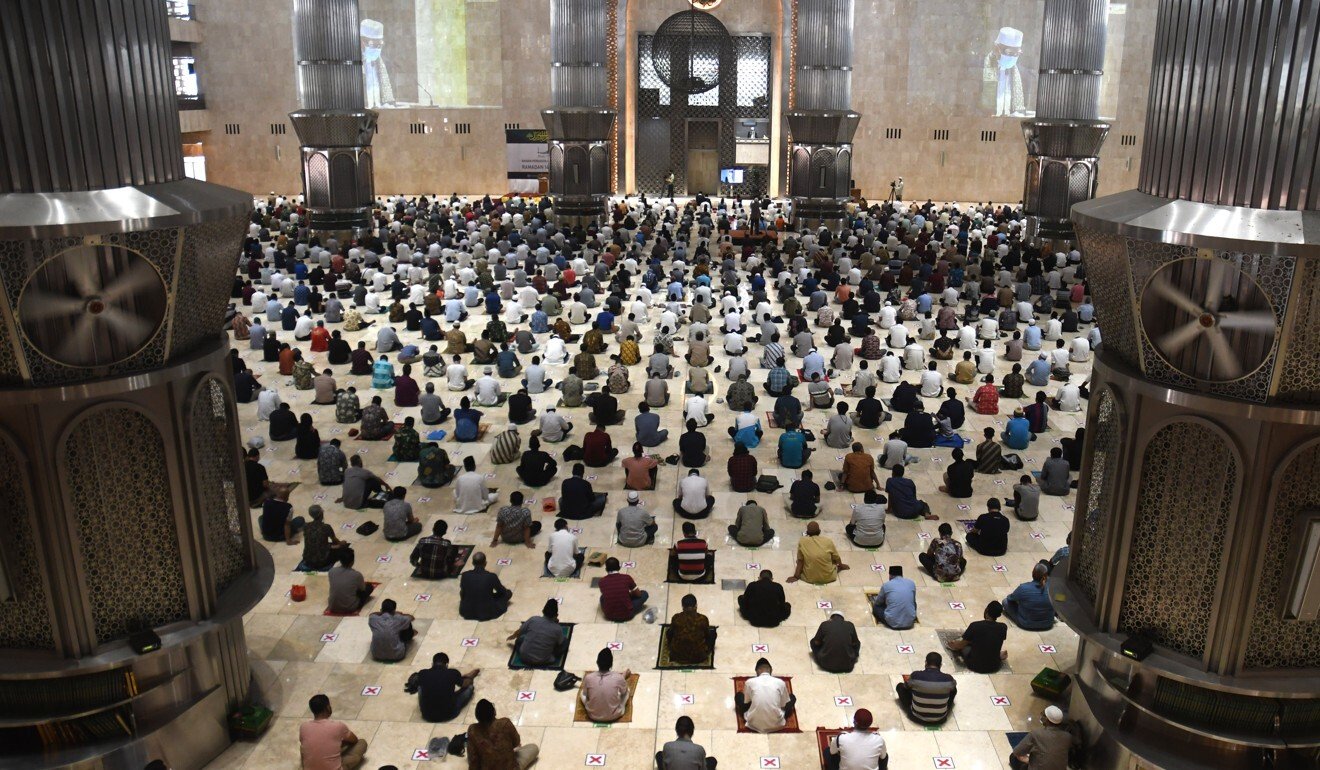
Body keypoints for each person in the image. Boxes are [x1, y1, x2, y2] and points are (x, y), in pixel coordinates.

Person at [299, 694, 368, 770]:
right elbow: (354, 740)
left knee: (304, 747)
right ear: (327, 707)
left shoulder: (303, 727)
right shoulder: (338, 726)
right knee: (362, 743)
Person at [466, 699, 539, 769]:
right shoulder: (505, 723)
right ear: (494, 712)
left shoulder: (473, 730)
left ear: (477, 717)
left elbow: (473, 760)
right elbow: (516, 742)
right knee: (533, 747)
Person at [736, 658, 795, 734]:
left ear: (757, 671)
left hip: (753, 723)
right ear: (771, 670)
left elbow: (746, 701)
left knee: (738, 696)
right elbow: (783, 705)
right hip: (777, 724)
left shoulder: (749, 682)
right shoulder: (780, 682)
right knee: (792, 697)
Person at [895, 651, 957, 724]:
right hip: (940, 719)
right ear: (940, 665)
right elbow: (953, 687)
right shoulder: (948, 679)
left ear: (926, 663)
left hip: (916, 717)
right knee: (953, 689)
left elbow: (905, 687)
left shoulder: (916, 675)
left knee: (900, 686)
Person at [1011, 705, 1080, 770]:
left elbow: (1017, 752)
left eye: (1043, 715)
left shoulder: (1036, 734)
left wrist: (1028, 760)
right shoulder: (1068, 737)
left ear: (1047, 719)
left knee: (1013, 757)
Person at [947, 601, 1009, 673]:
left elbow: (960, 645)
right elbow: (992, 640)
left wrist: (953, 644)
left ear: (986, 610)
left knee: (964, 647)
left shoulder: (975, 625)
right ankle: (998, 655)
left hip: (975, 665)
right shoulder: (1003, 627)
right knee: (988, 644)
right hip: (994, 666)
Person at [417, 652, 479, 722]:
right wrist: (469, 678)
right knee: (470, 687)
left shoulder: (423, 673)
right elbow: (465, 684)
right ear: (446, 665)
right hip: (449, 714)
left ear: (432, 664)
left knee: (420, 687)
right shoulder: (452, 673)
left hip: (427, 715)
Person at [509, 598, 567, 667]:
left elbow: (519, 632)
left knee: (520, 639)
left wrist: (513, 636)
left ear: (543, 611)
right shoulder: (557, 628)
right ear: (556, 615)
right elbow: (560, 643)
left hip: (524, 658)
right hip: (543, 660)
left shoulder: (533, 619)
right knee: (565, 641)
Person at [581, 648, 632, 722]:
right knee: (627, 691)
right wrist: (623, 677)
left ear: (597, 662)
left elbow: (585, 694)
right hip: (614, 715)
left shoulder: (588, 677)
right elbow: (623, 692)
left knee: (582, 693)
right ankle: (619, 708)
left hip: (593, 715)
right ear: (611, 664)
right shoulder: (618, 677)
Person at [459, 552, 512, 621]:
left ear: (473, 563)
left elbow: (462, 593)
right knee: (508, 593)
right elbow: (502, 591)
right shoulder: (491, 576)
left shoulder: (465, 575)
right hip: (486, 612)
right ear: (485, 563)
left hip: (467, 611)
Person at [666, 593, 716, 664]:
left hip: (677, 656)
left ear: (682, 606)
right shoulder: (703, 619)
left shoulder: (676, 618)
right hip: (699, 657)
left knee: (669, 631)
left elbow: (671, 633)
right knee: (713, 633)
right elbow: (707, 635)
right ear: (696, 606)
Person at [1004, 563, 1056, 630]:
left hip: (1027, 623)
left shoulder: (1023, 588)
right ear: (1046, 576)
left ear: (1032, 574)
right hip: (1048, 623)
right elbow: (1060, 601)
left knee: (1005, 602)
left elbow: (1010, 598)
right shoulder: (1053, 587)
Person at [598, 556, 648, 621]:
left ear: (606, 569)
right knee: (644, 593)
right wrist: (629, 594)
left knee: (602, 597)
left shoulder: (601, 581)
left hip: (609, 615)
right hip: (627, 614)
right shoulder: (626, 578)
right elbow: (638, 594)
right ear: (619, 567)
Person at [301, 505, 349, 570]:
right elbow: (335, 541)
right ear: (321, 513)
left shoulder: (306, 526)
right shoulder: (326, 527)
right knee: (343, 548)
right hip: (322, 561)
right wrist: (341, 544)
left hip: (307, 560)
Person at [327, 550, 373, 614]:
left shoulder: (331, 571)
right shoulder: (356, 575)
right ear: (352, 561)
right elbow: (362, 589)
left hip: (332, 607)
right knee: (369, 587)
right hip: (350, 607)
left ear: (340, 561)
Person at [872, 565, 917, 630]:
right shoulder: (911, 583)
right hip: (910, 622)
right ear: (901, 575)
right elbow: (913, 602)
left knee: (876, 607)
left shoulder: (886, 585)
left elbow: (878, 602)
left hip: (892, 623)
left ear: (890, 575)